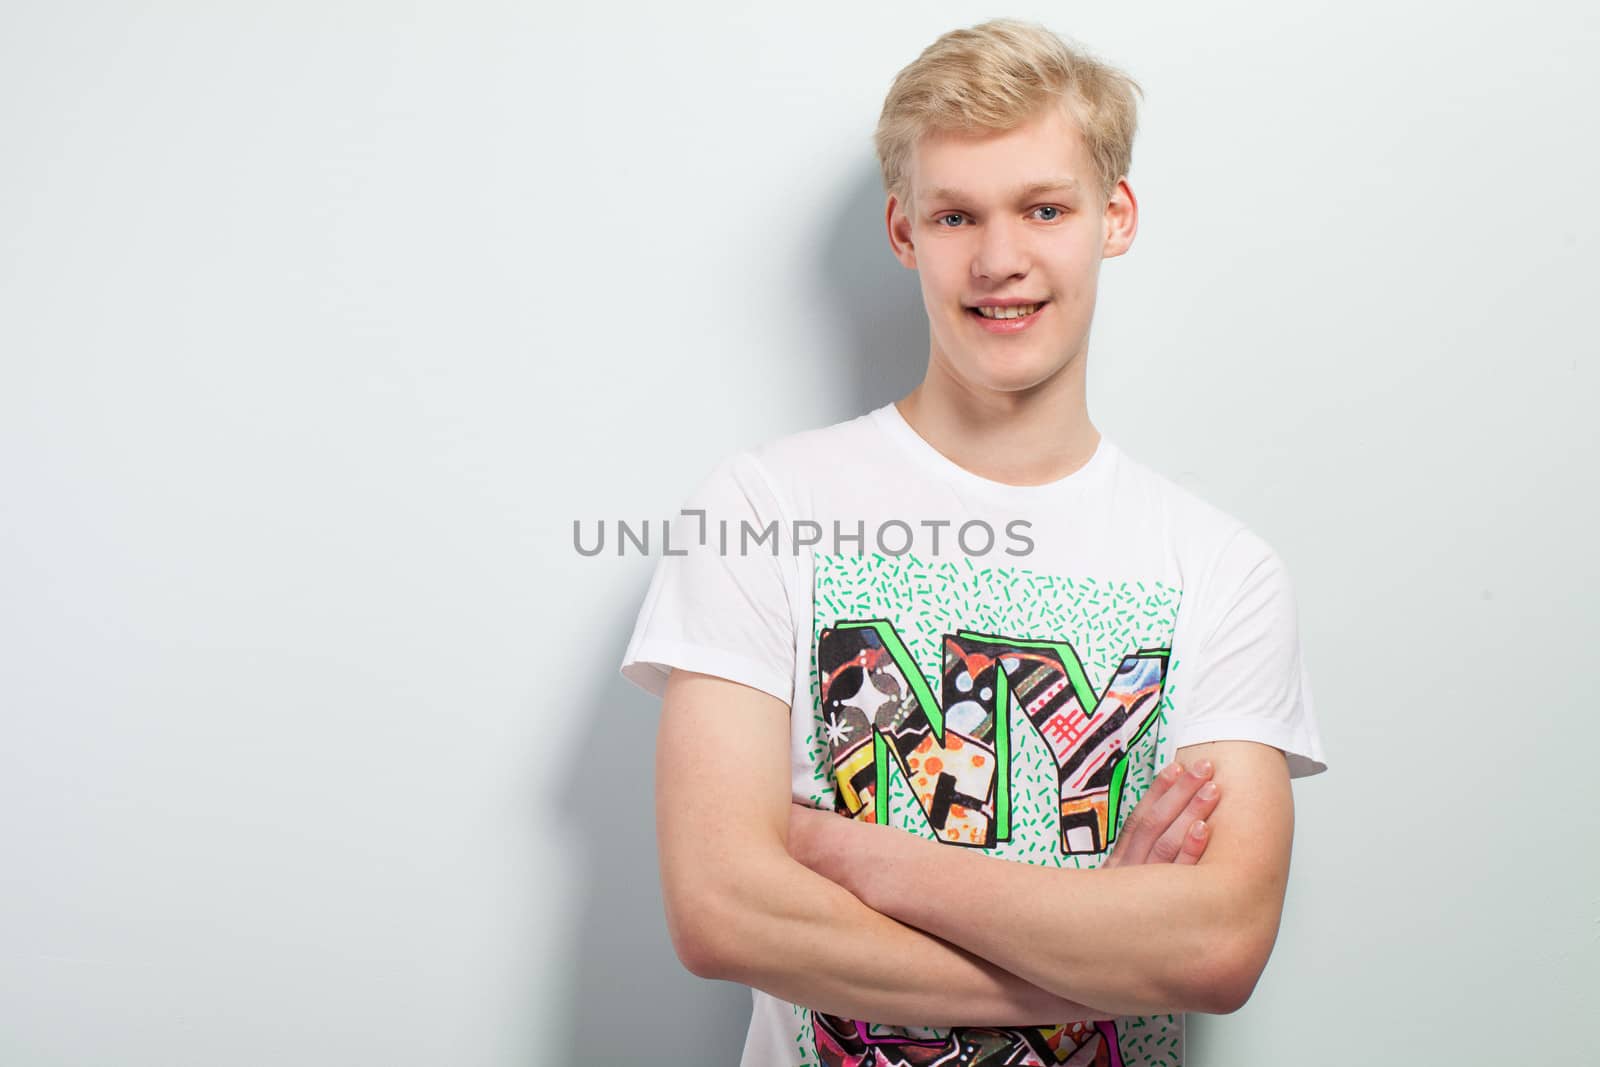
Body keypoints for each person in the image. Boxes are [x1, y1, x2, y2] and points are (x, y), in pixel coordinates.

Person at [619, 17, 1327, 1067]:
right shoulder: (761, 508)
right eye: (957, 215)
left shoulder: (1219, 569)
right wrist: (1101, 947)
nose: (1001, 260)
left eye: (1044, 207)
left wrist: (838, 849)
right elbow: (722, 910)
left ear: (1113, 216)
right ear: (904, 233)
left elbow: (1218, 945)